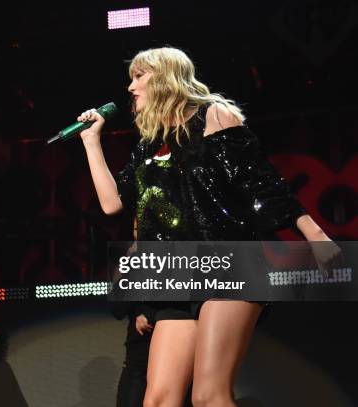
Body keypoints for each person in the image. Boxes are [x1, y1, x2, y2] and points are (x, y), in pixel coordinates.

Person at [77, 47, 339, 407]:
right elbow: (112, 203)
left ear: (167, 77)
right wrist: (92, 142)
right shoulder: (149, 144)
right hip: (180, 274)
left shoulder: (214, 116)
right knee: (158, 401)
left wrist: (316, 236)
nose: (131, 86)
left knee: (208, 396)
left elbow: (262, 182)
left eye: (139, 76)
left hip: (227, 261)